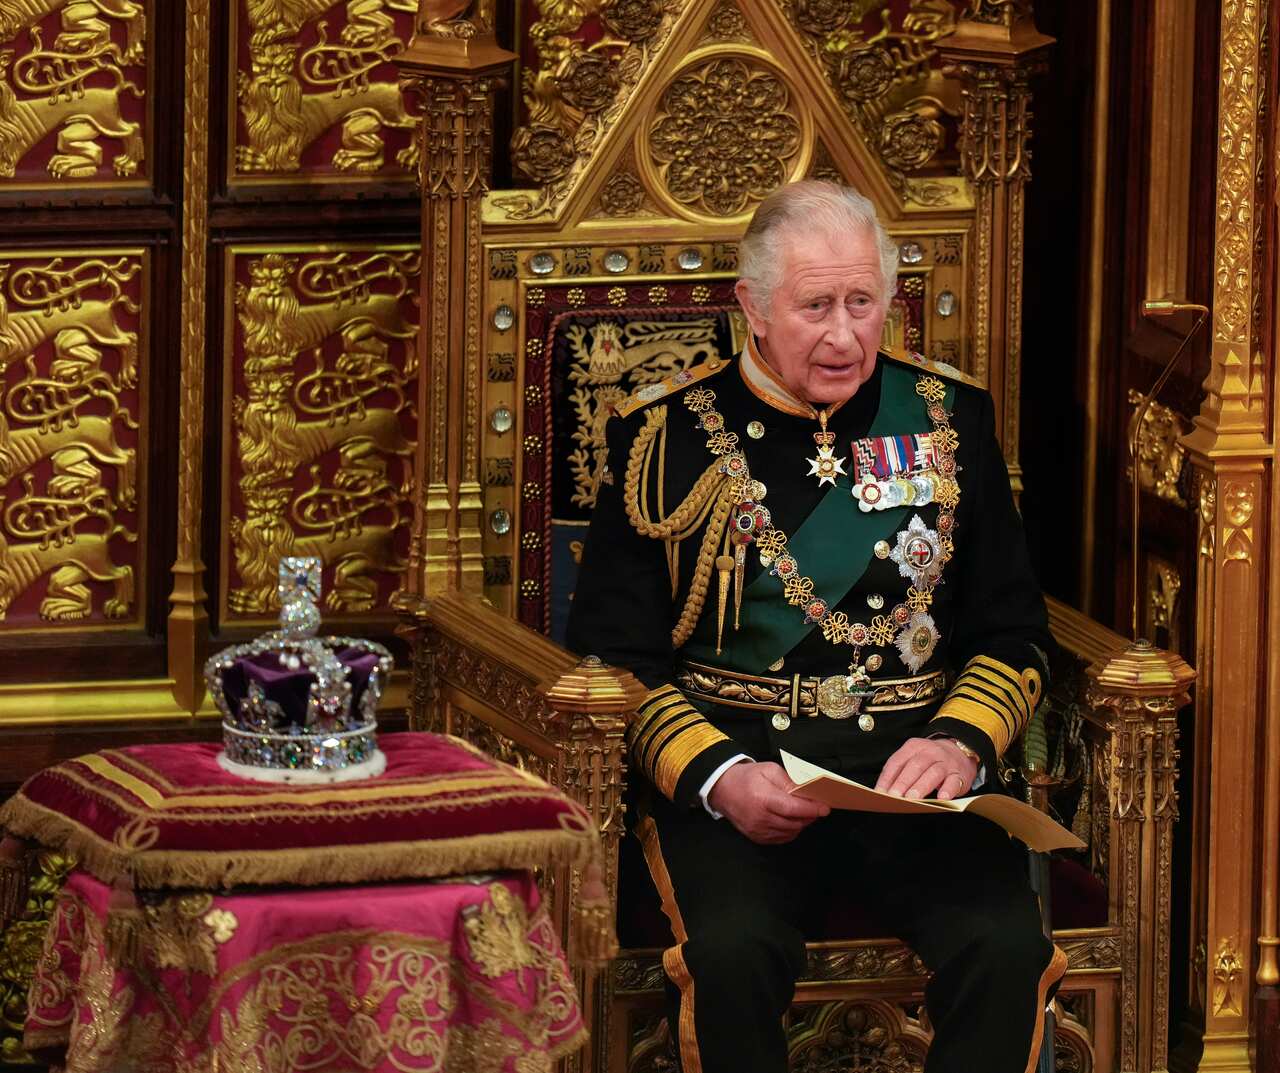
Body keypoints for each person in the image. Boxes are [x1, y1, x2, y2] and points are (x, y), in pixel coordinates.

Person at [566, 180, 1063, 1073]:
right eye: (815, 306)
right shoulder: (663, 440)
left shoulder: (951, 422)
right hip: (747, 780)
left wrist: (960, 742)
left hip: (918, 784)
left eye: (863, 301)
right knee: (734, 954)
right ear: (751, 308)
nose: (845, 335)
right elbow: (616, 660)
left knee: (1005, 948)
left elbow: (1011, 628)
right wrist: (719, 776)